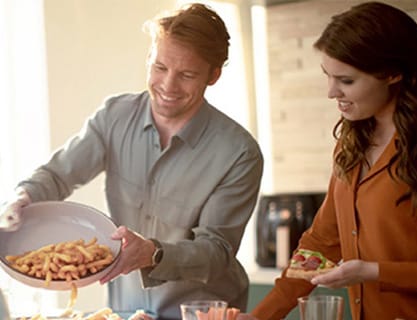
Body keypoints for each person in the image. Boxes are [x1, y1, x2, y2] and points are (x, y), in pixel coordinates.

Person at [0, 3, 264, 319]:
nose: (168, 86)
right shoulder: (115, 116)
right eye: (159, 67)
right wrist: (22, 198)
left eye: (187, 75)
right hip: (126, 308)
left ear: (214, 75)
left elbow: (216, 251)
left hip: (201, 310)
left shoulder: (239, 153)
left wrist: (154, 253)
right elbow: (59, 175)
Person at [238, 2, 417, 320]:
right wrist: (259, 317)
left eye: (346, 81)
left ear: (393, 73)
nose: (331, 92)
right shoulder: (351, 146)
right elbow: (321, 245)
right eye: (328, 76)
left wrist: (376, 272)